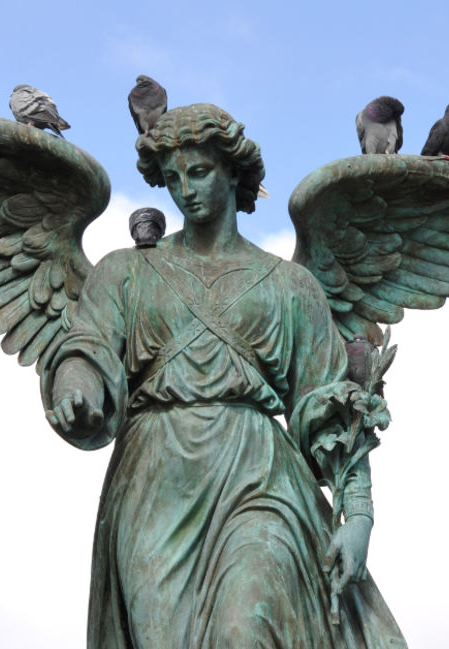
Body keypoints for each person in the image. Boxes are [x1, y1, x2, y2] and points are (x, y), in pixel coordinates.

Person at [41, 104, 406, 648]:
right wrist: (77, 381)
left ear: (233, 171)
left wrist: (358, 516)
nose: (185, 190)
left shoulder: (290, 286)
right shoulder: (125, 272)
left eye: (200, 171)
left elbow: (331, 406)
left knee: (247, 627)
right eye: (172, 179)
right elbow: (87, 343)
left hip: (259, 477)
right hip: (156, 481)